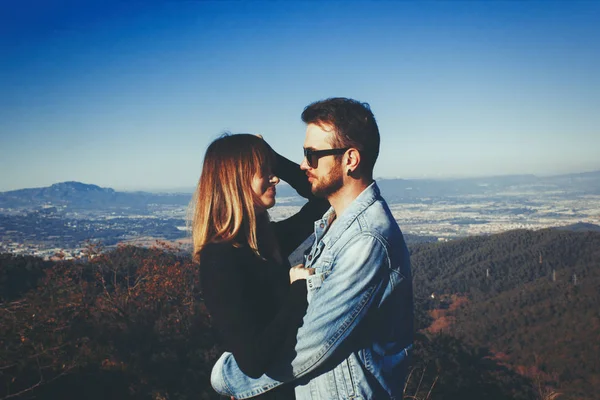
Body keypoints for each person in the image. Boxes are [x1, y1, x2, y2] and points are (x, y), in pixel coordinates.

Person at [210, 98, 414, 399]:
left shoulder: (365, 239)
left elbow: (311, 348)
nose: (303, 164)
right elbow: (317, 196)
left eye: (312, 155)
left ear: (350, 160)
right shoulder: (334, 222)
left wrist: (224, 375)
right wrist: (271, 157)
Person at [191, 133, 329, 399]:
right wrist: (298, 290)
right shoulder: (220, 260)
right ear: (237, 181)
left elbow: (323, 200)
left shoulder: (263, 242)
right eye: (264, 172)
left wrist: (272, 157)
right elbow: (253, 361)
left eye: (272, 171)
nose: (275, 178)